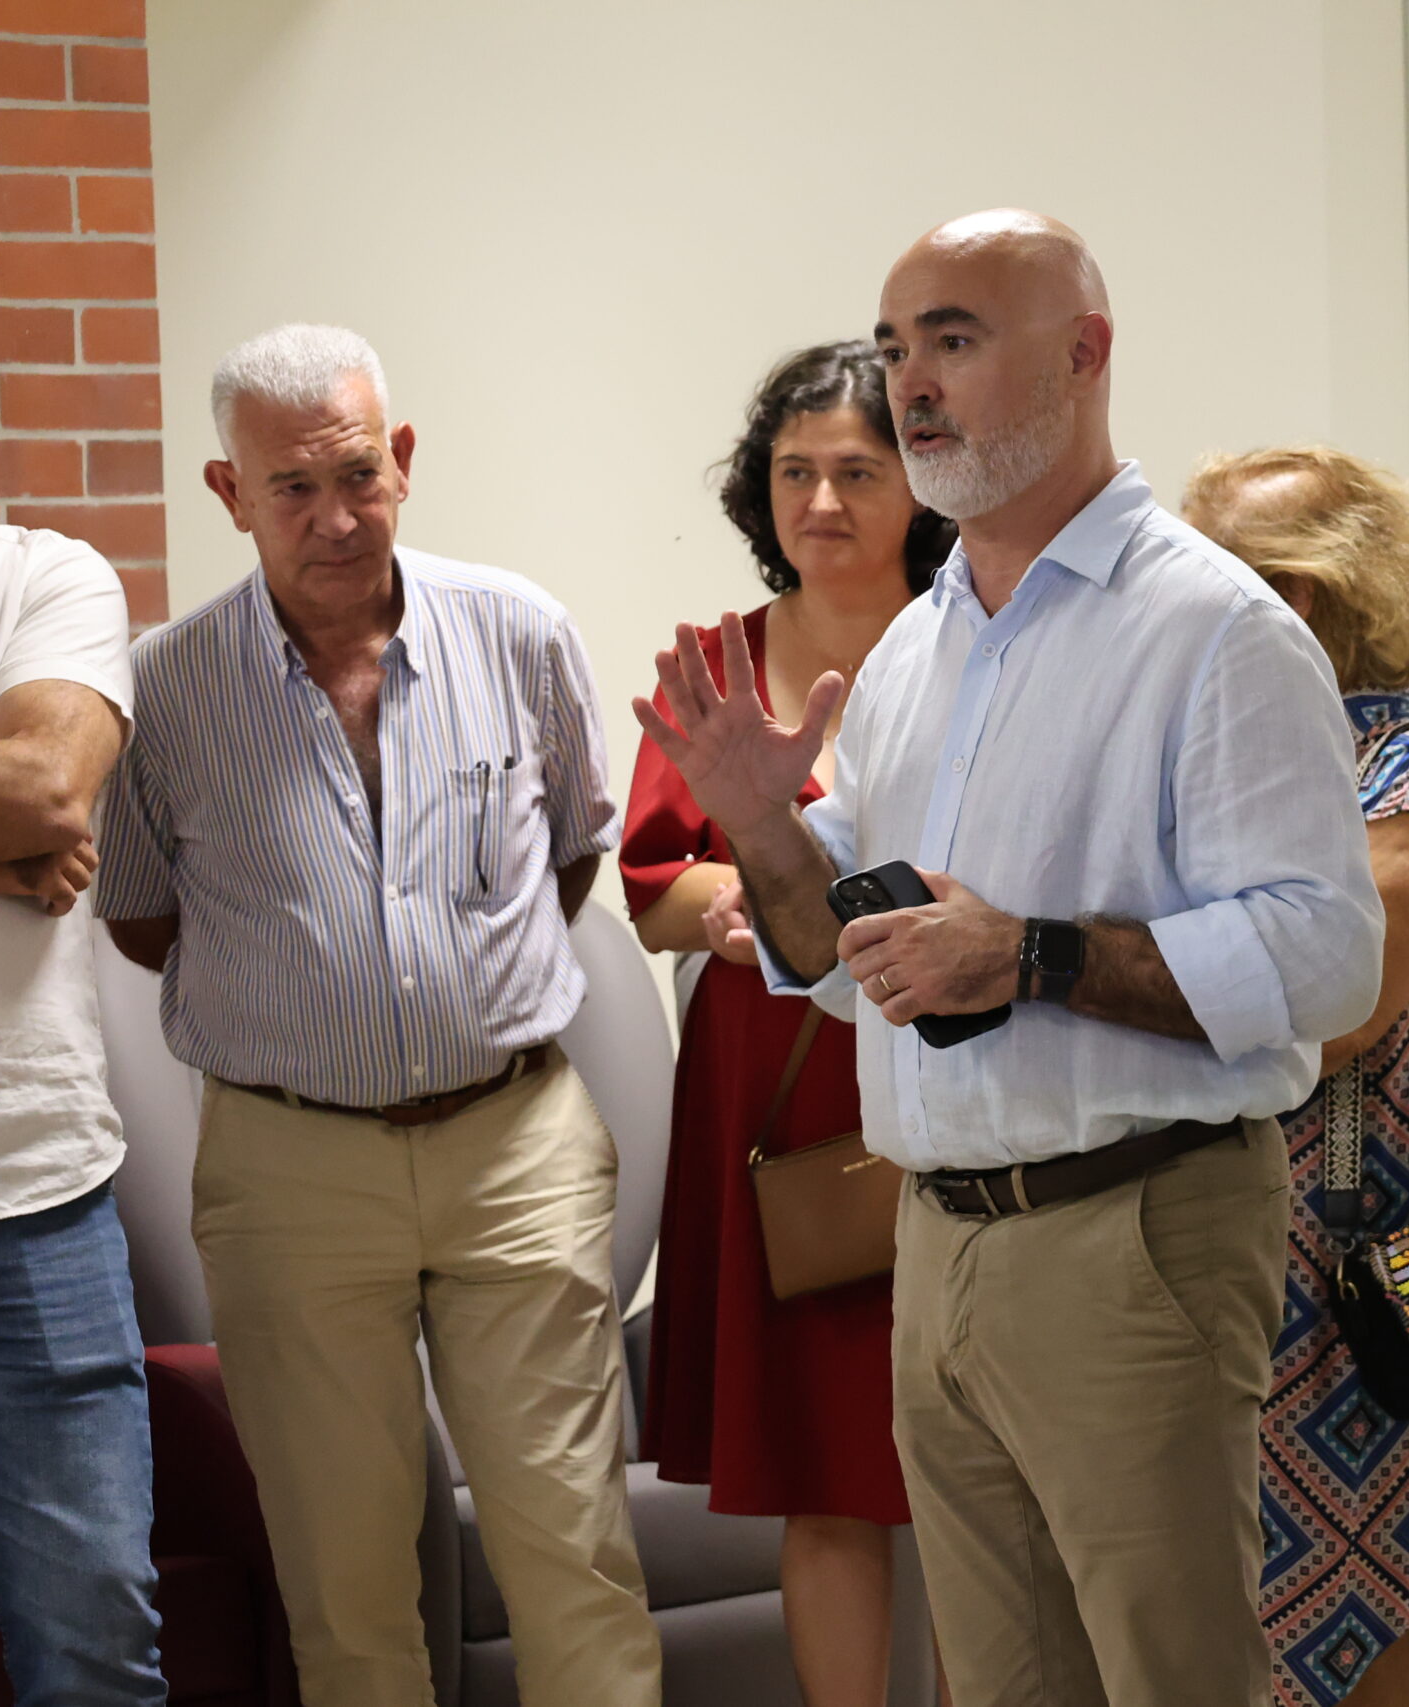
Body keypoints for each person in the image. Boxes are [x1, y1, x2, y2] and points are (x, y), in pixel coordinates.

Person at [632, 210, 1384, 1707]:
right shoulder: (923, 649)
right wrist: (764, 827)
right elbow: (834, 949)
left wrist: (1028, 954)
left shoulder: (1211, 628)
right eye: (897, 348)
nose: (911, 384)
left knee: (1170, 1679)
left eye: (956, 340)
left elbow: (1326, 957)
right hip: (939, 1234)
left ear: (1084, 352)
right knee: (1004, 1684)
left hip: (1135, 1228)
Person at [94, 324, 659, 1707]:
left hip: (515, 1145)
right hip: (291, 1168)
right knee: (345, 1596)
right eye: (291, 487)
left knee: (575, 1559)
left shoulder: (519, 631)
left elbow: (571, 859)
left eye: (356, 474)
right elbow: (143, 919)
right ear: (229, 492)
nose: (335, 517)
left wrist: (456, 987)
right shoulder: (165, 688)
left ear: (401, 458)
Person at [621, 339, 953, 1707]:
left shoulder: (976, 639)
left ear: (920, 485)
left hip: (947, 1066)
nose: (821, 501)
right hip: (779, 1096)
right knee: (822, 1470)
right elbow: (648, 888)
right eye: (794, 471)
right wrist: (734, 900)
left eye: (857, 472)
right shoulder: (714, 660)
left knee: (978, 1467)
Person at [1182, 446, 1409, 1707]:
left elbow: (1330, 1010)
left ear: (1295, 600)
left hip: (1372, 1286)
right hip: (1259, 1265)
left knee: (1378, 1603)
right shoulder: (1274, 768)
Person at [0, 271, 167, 1705]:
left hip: (24, 1196)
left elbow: (49, 788)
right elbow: (7, 815)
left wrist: (12, 822)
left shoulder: (43, 578)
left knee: (90, 1640)